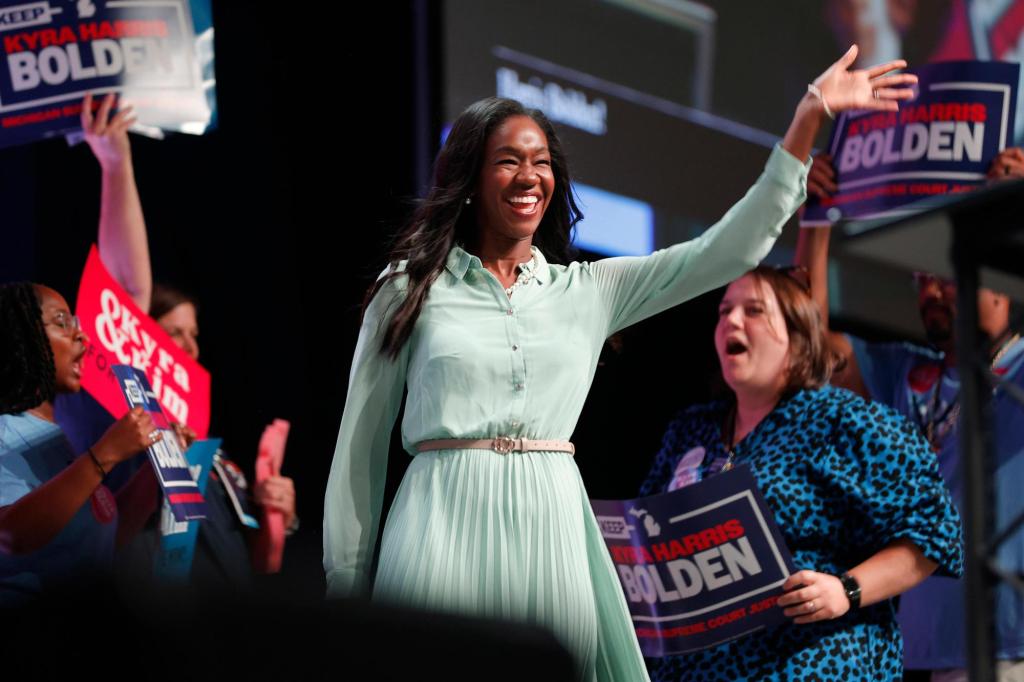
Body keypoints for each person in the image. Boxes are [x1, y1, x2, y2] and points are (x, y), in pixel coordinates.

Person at [323, 46, 917, 680]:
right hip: (437, 523)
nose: (530, 176)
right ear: (469, 180)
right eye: (508, 161)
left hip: (548, 528)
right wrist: (345, 593)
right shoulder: (410, 288)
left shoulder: (588, 291)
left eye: (542, 162)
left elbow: (728, 249)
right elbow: (359, 450)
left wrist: (808, 116)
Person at [640, 266, 962, 681]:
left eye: (753, 310)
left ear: (796, 337)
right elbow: (642, 543)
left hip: (809, 664)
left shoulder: (842, 422)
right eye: (724, 312)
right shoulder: (690, 431)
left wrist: (846, 589)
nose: (731, 321)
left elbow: (937, 533)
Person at [796, 148, 1024, 681]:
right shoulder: (902, 373)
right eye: (920, 275)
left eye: (943, 271)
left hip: (1008, 649)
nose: (931, 288)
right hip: (909, 654)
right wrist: (817, 216)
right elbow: (806, 339)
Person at [0, 282, 161, 603]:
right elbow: (10, 535)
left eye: (76, 323)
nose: (82, 337)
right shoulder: (4, 433)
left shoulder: (56, 439)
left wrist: (159, 467)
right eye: (62, 322)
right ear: (20, 337)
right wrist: (105, 455)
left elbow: (98, 542)